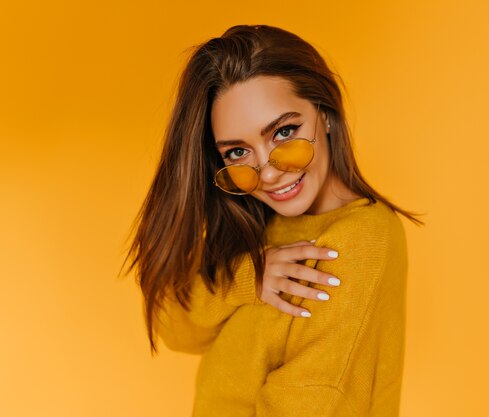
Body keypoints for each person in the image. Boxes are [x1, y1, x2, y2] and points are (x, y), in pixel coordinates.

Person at [121, 24, 425, 417]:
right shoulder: (255, 225)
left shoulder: (361, 238)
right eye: (237, 153)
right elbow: (176, 328)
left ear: (326, 114)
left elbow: (311, 399)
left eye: (284, 132)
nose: (266, 174)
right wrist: (247, 277)